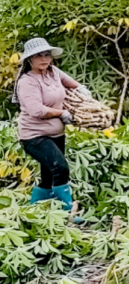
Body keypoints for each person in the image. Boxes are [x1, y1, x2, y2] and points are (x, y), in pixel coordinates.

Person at [14, 37, 88, 214]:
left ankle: (35, 211)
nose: (44, 59)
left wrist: (81, 89)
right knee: (60, 168)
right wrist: (61, 113)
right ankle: (67, 212)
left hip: (56, 134)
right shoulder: (27, 81)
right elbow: (36, 110)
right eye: (38, 55)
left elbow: (69, 82)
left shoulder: (53, 72)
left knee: (48, 177)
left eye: (47, 54)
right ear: (29, 59)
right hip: (34, 136)